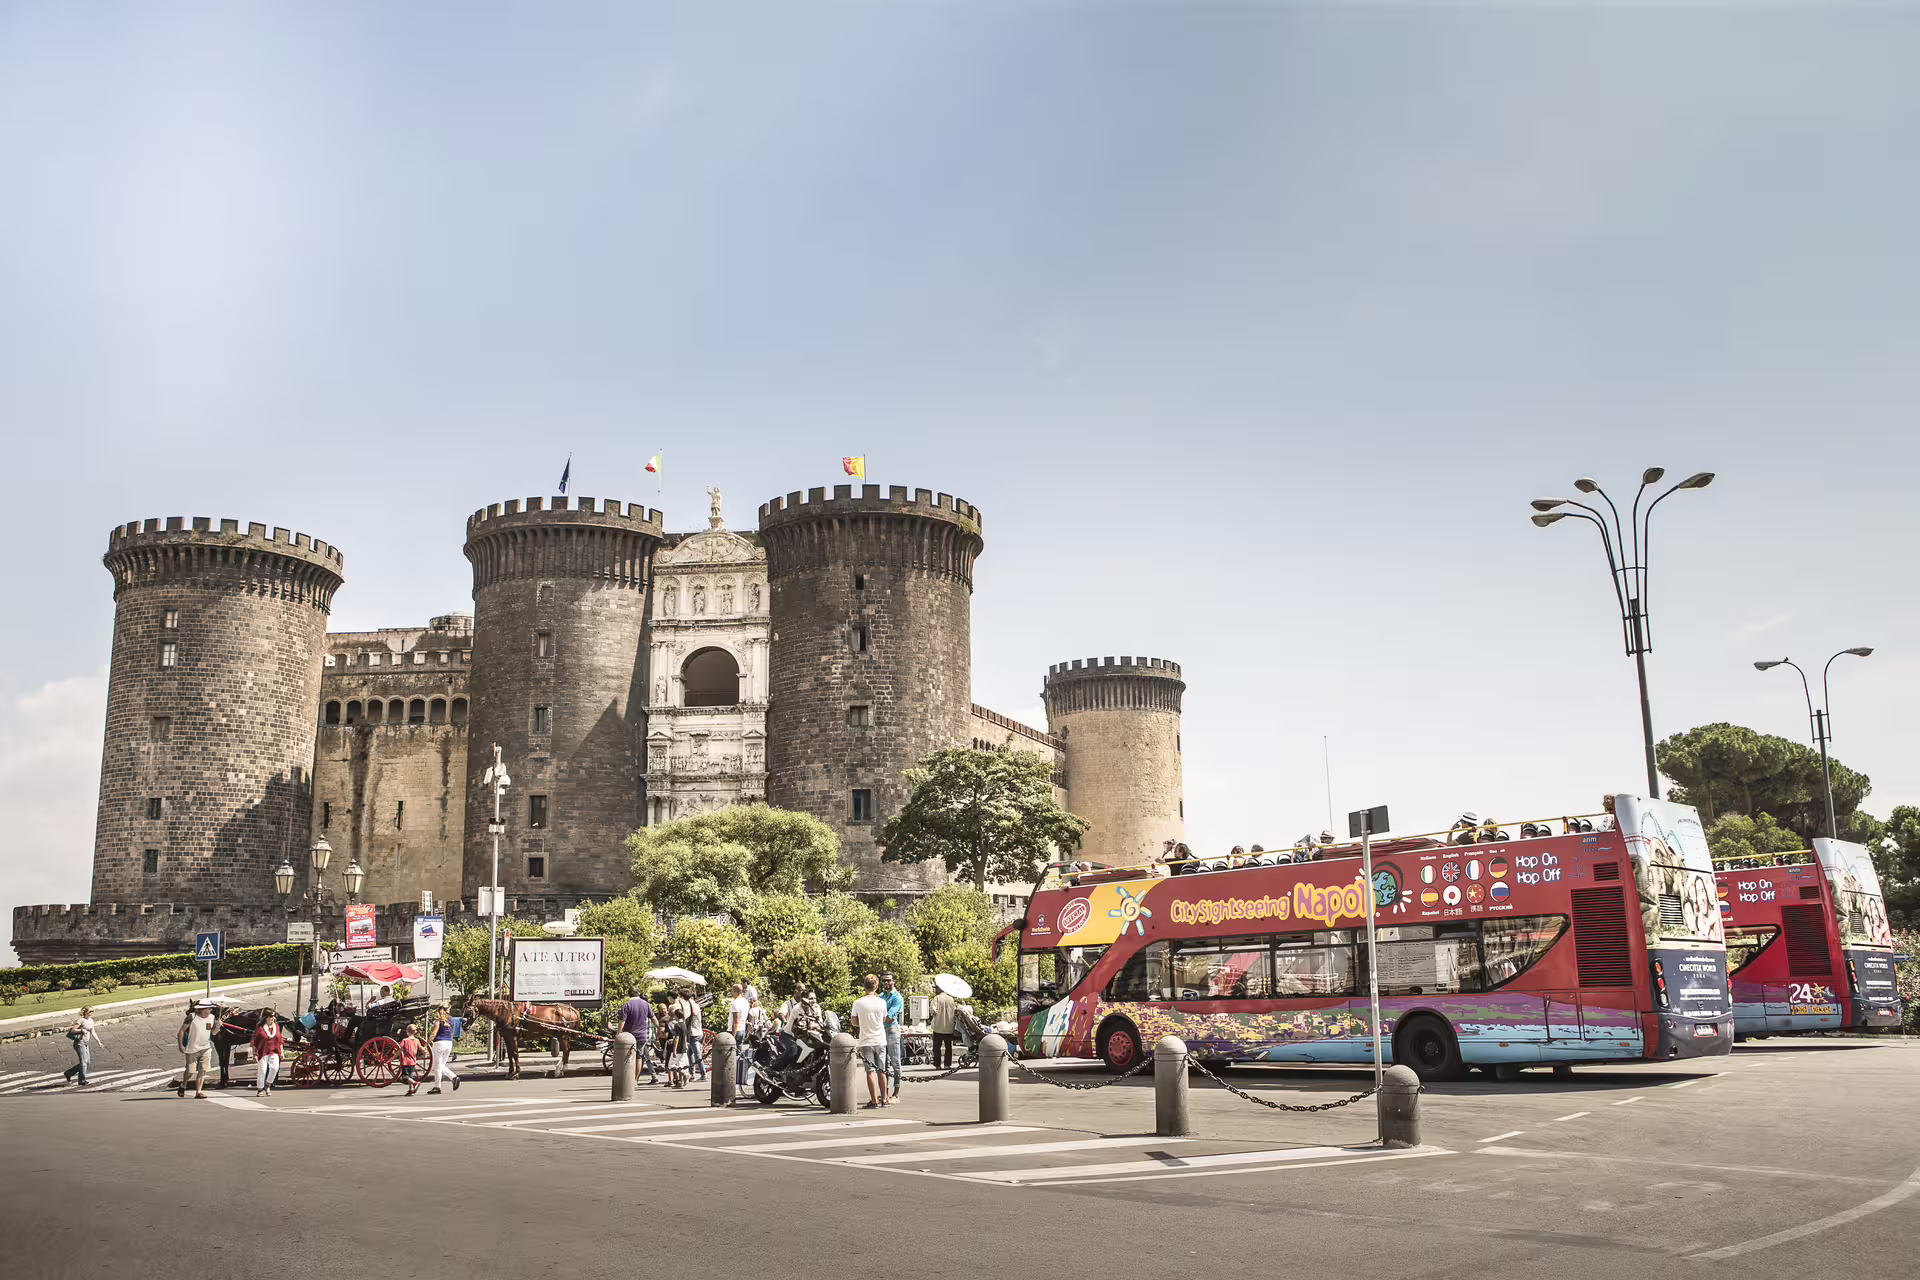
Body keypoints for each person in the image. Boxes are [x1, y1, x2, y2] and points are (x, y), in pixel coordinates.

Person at [849, 975, 890, 1109]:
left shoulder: (858, 1003)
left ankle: (874, 1100)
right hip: (880, 1039)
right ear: (876, 986)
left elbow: (854, 1022)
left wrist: (864, 1022)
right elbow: (884, 1019)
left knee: (870, 1071)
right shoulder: (882, 1002)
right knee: (882, 1070)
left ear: (864, 986)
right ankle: (884, 1099)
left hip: (866, 1040)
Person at [615, 986, 657, 1085]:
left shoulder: (627, 1005)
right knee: (639, 1057)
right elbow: (654, 1018)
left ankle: (627, 1080)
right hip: (642, 1036)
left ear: (629, 994)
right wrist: (658, 1028)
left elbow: (622, 1021)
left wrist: (618, 1034)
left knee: (628, 1057)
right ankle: (635, 1080)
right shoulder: (646, 1005)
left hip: (629, 1036)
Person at [177, 1002, 215, 1099]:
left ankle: (198, 1092)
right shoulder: (192, 1017)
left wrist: (218, 1026)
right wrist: (180, 1045)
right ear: (202, 1009)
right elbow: (181, 1031)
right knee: (190, 1071)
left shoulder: (211, 1017)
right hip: (192, 1049)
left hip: (206, 1048)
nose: (211, 1010)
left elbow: (211, 1031)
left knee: (203, 1070)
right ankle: (184, 1084)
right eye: (209, 1008)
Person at [879, 973, 905, 1101]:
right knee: (884, 1063)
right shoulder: (881, 996)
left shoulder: (897, 997)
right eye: (884, 981)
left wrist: (877, 1017)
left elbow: (889, 1017)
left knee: (895, 1062)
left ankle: (896, 1092)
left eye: (888, 980)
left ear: (894, 981)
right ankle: (885, 1092)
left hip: (892, 1030)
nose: (886, 983)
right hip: (882, 1030)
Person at [63, 1006, 102, 1087]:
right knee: (84, 1063)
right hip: (79, 1043)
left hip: (86, 1043)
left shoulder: (91, 1020)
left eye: (92, 1011)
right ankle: (82, 1080)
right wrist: (81, 1030)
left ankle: (69, 1073)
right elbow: (73, 1029)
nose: (91, 1013)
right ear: (85, 1012)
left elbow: (93, 1031)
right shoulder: (81, 1020)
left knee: (87, 1062)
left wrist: (98, 1041)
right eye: (90, 1011)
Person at [428, 1006, 463, 1094]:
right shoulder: (452, 1020)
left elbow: (434, 1034)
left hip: (439, 1043)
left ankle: (451, 1078)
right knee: (441, 1065)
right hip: (448, 1043)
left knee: (437, 1066)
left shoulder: (438, 1021)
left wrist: (426, 1044)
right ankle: (439, 1085)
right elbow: (452, 1033)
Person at [250, 1012, 285, 1096]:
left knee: (275, 1068)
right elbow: (254, 1041)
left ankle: (268, 1084)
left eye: (273, 1017)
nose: (273, 1018)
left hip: (274, 1051)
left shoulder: (276, 1027)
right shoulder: (260, 1028)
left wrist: (282, 1051)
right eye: (271, 1017)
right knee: (262, 1070)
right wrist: (254, 1053)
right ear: (266, 1018)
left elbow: (280, 1040)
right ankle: (260, 1089)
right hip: (262, 1051)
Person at [726, 983, 752, 1092]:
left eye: (732, 991)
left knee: (731, 1056)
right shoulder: (745, 1002)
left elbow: (735, 1021)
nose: (731, 993)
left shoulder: (735, 1003)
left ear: (735, 991)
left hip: (735, 1031)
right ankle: (738, 1076)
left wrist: (732, 1035)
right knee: (738, 1055)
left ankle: (731, 1077)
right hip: (742, 1029)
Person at [929, 984, 958, 1071]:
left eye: (936, 988)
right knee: (948, 1047)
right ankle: (947, 1064)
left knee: (937, 1047)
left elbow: (933, 1010)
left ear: (939, 989)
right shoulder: (951, 999)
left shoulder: (937, 998)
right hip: (949, 1027)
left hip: (938, 1026)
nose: (935, 990)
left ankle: (938, 1064)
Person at [399, 1024, 425, 1096]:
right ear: (415, 1032)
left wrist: (392, 1058)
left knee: (405, 1077)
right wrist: (424, 1050)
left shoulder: (404, 1040)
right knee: (410, 1075)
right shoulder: (417, 1040)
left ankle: (415, 1083)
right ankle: (411, 1090)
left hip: (406, 1061)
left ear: (407, 1031)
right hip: (413, 1061)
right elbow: (421, 1048)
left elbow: (400, 1050)